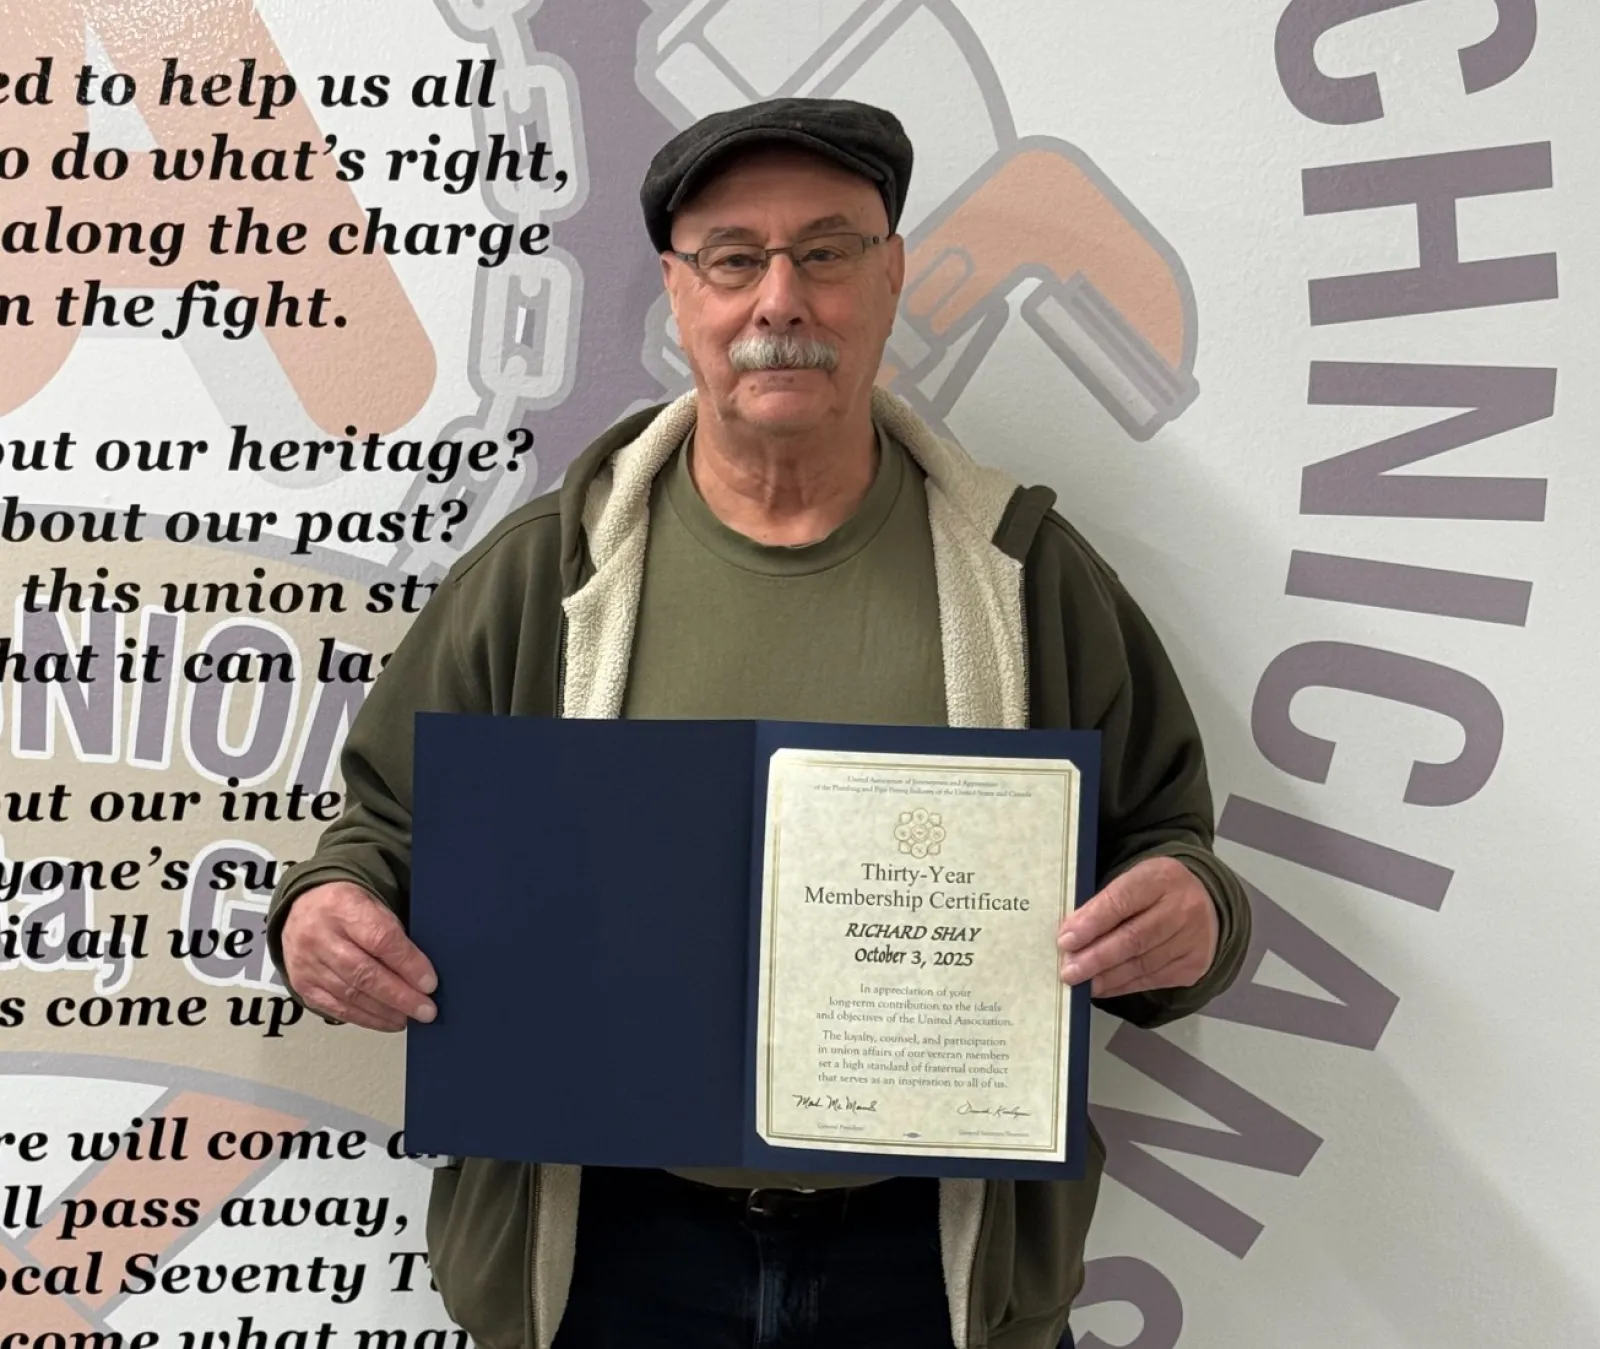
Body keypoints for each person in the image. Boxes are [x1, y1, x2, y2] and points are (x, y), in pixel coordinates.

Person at [267, 96, 1252, 1349]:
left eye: (826, 252)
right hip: (605, 1251)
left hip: (929, 1256)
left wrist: (1188, 912)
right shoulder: (539, 574)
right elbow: (380, 828)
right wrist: (322, 913)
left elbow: (1174, 849)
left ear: (890, 279)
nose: (780, 300)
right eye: (734, 258)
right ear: (681, 294)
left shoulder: (1027, 576)